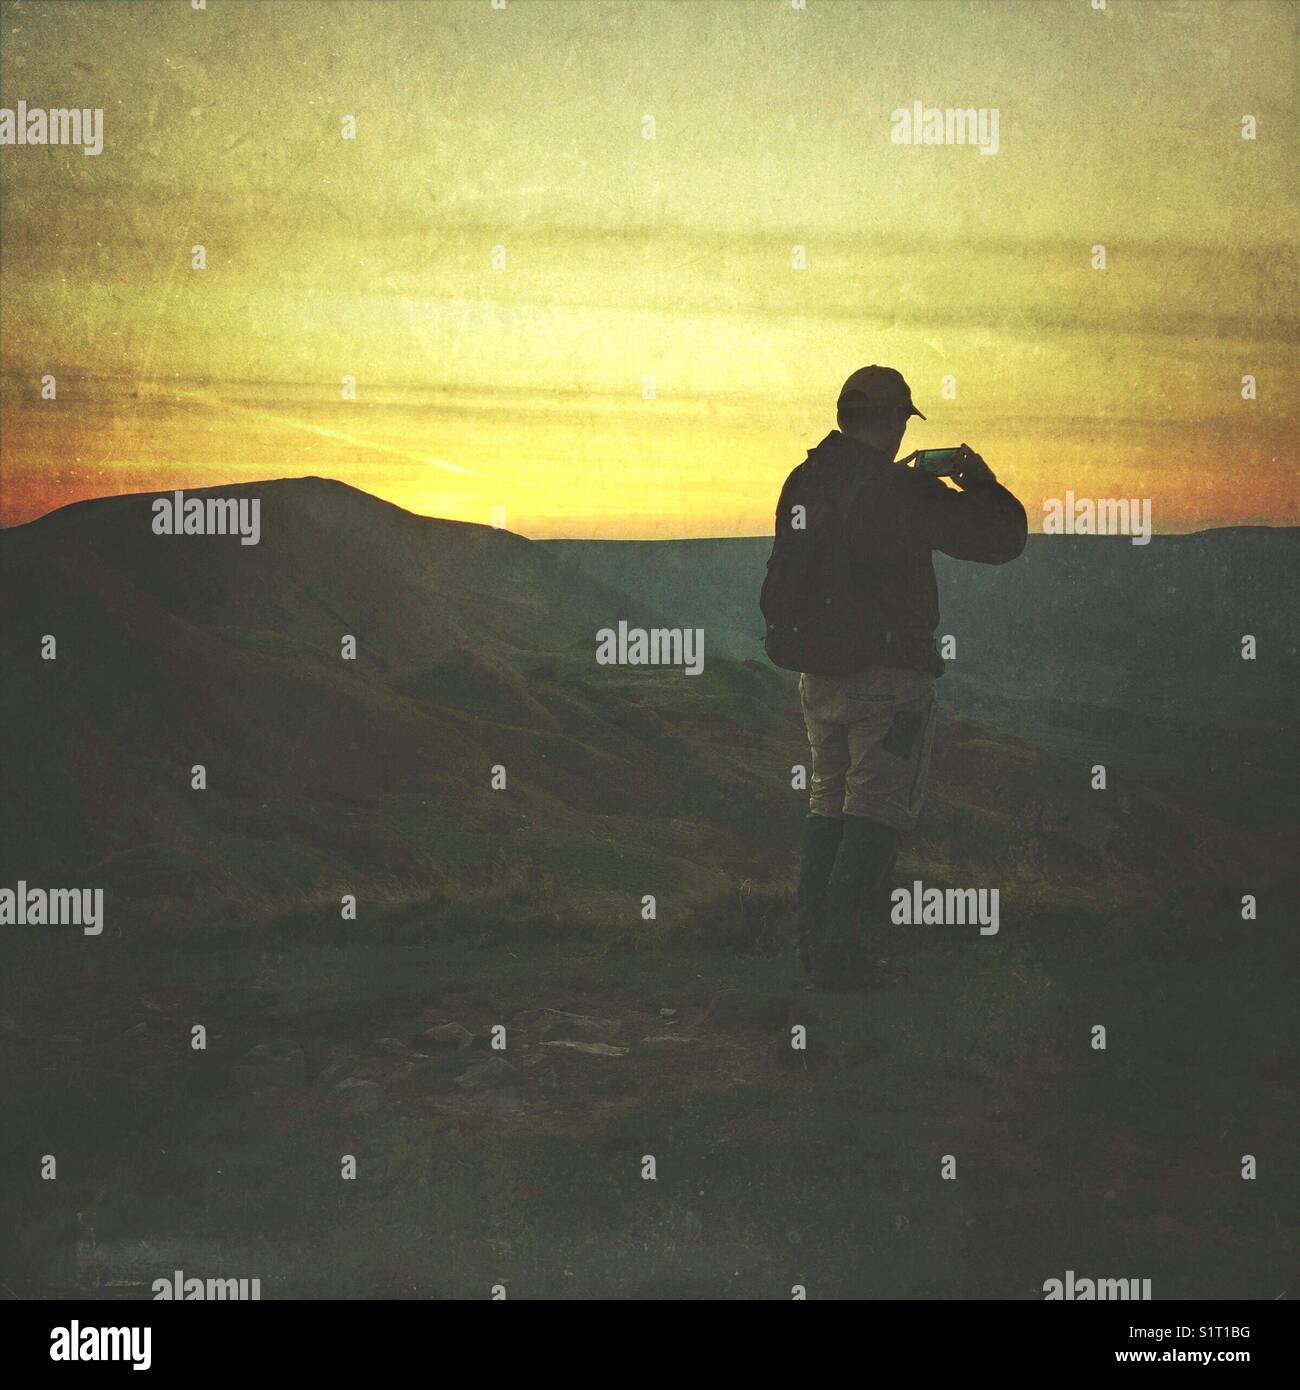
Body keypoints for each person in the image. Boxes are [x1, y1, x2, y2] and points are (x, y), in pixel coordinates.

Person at [761, 365, 1027, 989]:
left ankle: (815, 948)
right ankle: (843, 959)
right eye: (903, 421)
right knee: (876, 811)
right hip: (887, 679)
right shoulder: (897, 491)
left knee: (829, 803)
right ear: (889, 421)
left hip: (818, 675)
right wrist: (979, 482)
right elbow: (1000, 540)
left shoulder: (804, 479)